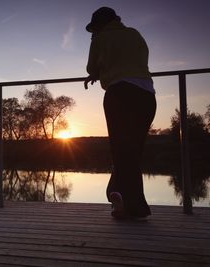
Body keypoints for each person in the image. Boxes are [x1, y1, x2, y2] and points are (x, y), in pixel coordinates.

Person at [84, 7, 156, 219]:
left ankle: (134, 207)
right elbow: (140, 60)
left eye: (93, 29)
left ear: (99, 26)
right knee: (133, 151)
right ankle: (119, 197)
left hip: (120, 94)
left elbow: (90, 67)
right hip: (147, 94)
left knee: (121, 151)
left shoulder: (100, 38)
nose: (92, 33)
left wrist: (97, 69)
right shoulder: (134, 34)